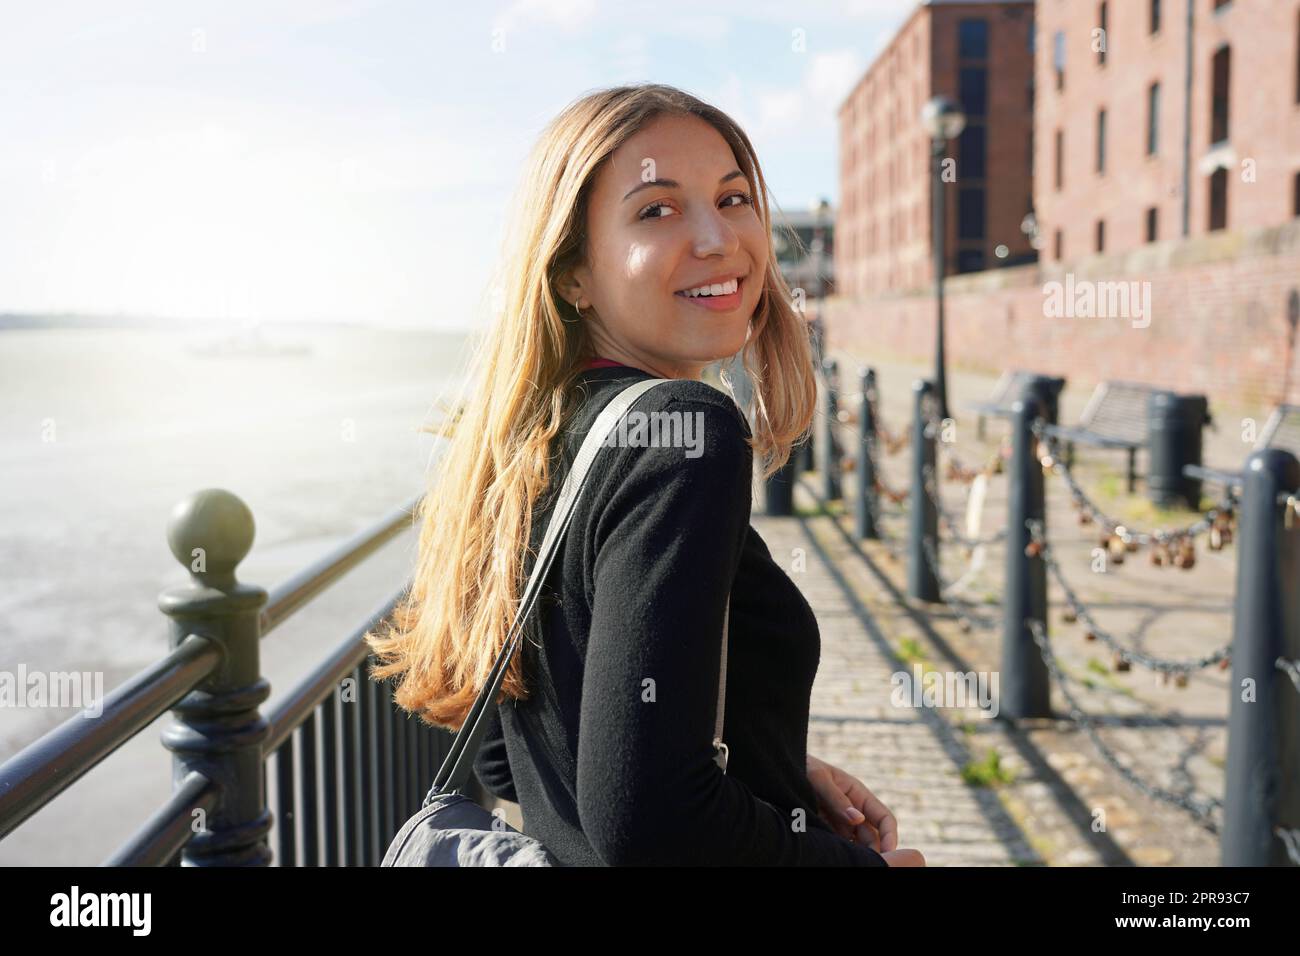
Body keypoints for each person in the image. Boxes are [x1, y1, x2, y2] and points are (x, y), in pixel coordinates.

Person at [365, 83, 925, 867]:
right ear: (572, 274)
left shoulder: (531, 436)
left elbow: (512, 753)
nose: (717, 238)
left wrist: (764, 759)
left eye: (733, 198)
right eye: (657, 210)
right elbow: (653, 822)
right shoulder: (687, 436)